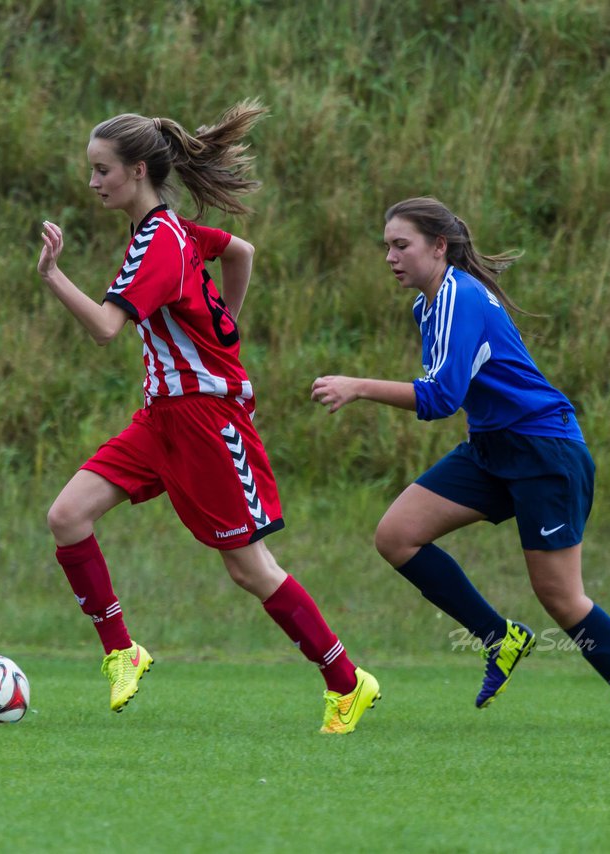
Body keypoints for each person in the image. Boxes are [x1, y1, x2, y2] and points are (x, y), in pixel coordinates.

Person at [35, 101, 379, 734]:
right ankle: (122, 651)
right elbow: (240, 249)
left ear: (137, 171)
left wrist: (54, 277)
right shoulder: (171, 233)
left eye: (101, 169)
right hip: (160, 418)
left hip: (206, 419)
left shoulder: (159, 244)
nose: (92, 183)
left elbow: (107, 328)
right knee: (67, 516)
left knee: (249, 567)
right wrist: (228, 327)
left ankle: (346, 681)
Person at [310, 196, 610, 733]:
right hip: (491, 449)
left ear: (439, 247)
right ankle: (499, 637)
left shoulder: (460, 295)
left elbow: (439, 397)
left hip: (543, 451)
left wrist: (358, 386)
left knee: (560, 596)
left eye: (401, 245)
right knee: (397, 535)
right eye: (386, 245)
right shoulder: (427, 305)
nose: (390, 256)